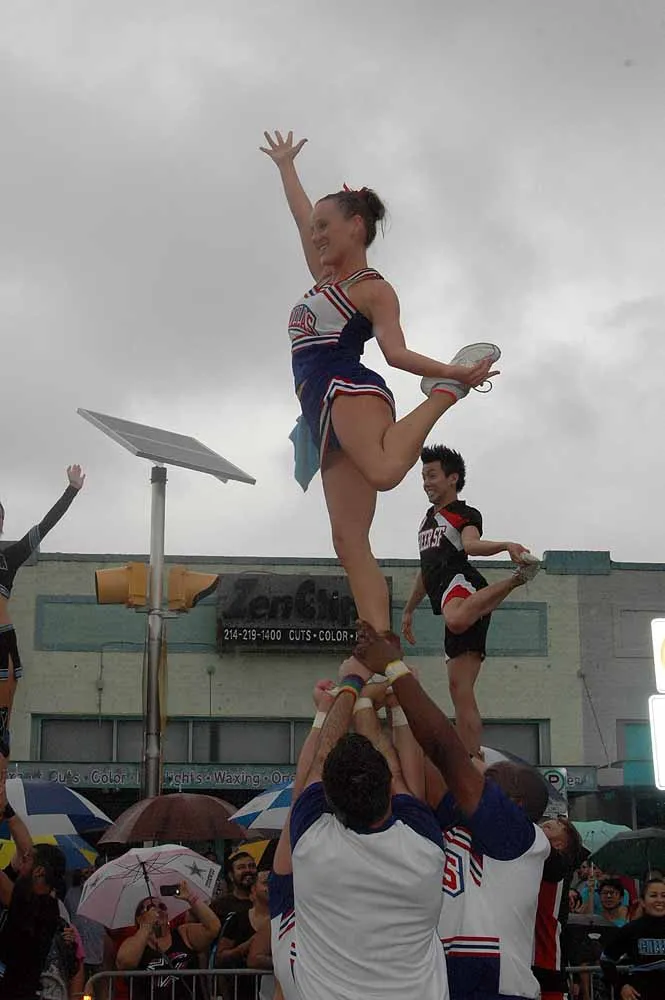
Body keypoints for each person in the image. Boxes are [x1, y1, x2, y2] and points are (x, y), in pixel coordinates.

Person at [261, 129, 500, 636]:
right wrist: (286, 167)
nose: (316, 235)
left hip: (347, 389)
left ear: (356, 226)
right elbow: (301, 218)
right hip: (319, 412)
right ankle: (379, 642)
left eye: (326, 226)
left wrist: (453, 373)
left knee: (386, 471)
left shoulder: (373, 289)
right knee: (348, 541)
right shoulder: (325, 279)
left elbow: (396, 353)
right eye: (315, 229)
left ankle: (443, 398)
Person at [352, 623, 551, 1000]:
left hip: (496, 992)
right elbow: (421, 762)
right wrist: (389, 698)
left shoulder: (521, 840)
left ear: (516, 804)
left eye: (493, 776)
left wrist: (395, 668)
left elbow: (446, 752)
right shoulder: (456, 822)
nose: (481, 771)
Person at [269, 661, 450, 1000]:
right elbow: (398, 776)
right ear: (388, 790)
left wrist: (347, 691)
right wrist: (361, 692)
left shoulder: (310, 845)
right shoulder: (423, 845)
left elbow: (316, 765)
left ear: (329, 797)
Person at [401, 445, 539, 755]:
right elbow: (426, 571)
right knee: (459, 690)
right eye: (423, 477)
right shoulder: (426, 522)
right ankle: (470, 757)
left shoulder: (464, 514)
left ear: (453, 478)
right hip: (448, 595)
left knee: (456, 619)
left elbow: (471, 546)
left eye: (432, 475)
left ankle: (518, 578)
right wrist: (409, 610)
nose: (426, 483)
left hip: (463, 586)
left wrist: (506, 545)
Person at [0, 465, 85, 764]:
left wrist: (71, 490)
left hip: (3, 646)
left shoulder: (9, 557)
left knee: (2, 728)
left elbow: (44, 527)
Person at [116, 881, 220, 1000]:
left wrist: (191, 898)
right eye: (150, 908)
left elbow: (213, 928)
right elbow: (124, 963)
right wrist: (146, 926)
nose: (158, 910)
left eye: (162, 907)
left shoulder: (183, 933)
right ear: (139, 918)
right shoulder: (133, 942)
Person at [0, 841, 63, 1000]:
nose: (21, 864)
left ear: (39, 871)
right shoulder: (39, 901)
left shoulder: (39, 906)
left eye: (26, 860)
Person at [535, 817, 586, 1000]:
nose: (552, 821)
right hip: (524, 953)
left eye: (560, 824)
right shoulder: (535, 861)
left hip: (546, 958)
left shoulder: (558, 865)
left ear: (559, 844)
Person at [601, 877, 665, 1000]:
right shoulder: (632, 929)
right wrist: (621, 986)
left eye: (664, 895)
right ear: (642, 901)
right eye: (653, 895)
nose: (659, 900)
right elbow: (606, 960)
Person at [216, 870, 272, 1000]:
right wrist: (243, 948)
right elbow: (220, 958)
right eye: (266, 883)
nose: (271, 886)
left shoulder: (285, 919)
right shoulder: (237, 919)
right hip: (241, 990)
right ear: (253, 889)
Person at [64, 863, 107, 981]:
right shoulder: (71, 894)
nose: (89, 875)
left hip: (99, 951)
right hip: (79, 952)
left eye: (92, 871)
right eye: (86, 872)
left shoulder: (104, 893)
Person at [211, 851, 257, 925]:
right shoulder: (219, 906)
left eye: (252, 866)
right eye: (241, 867)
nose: (248, 870)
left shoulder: (265, 902)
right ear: (231, 876)